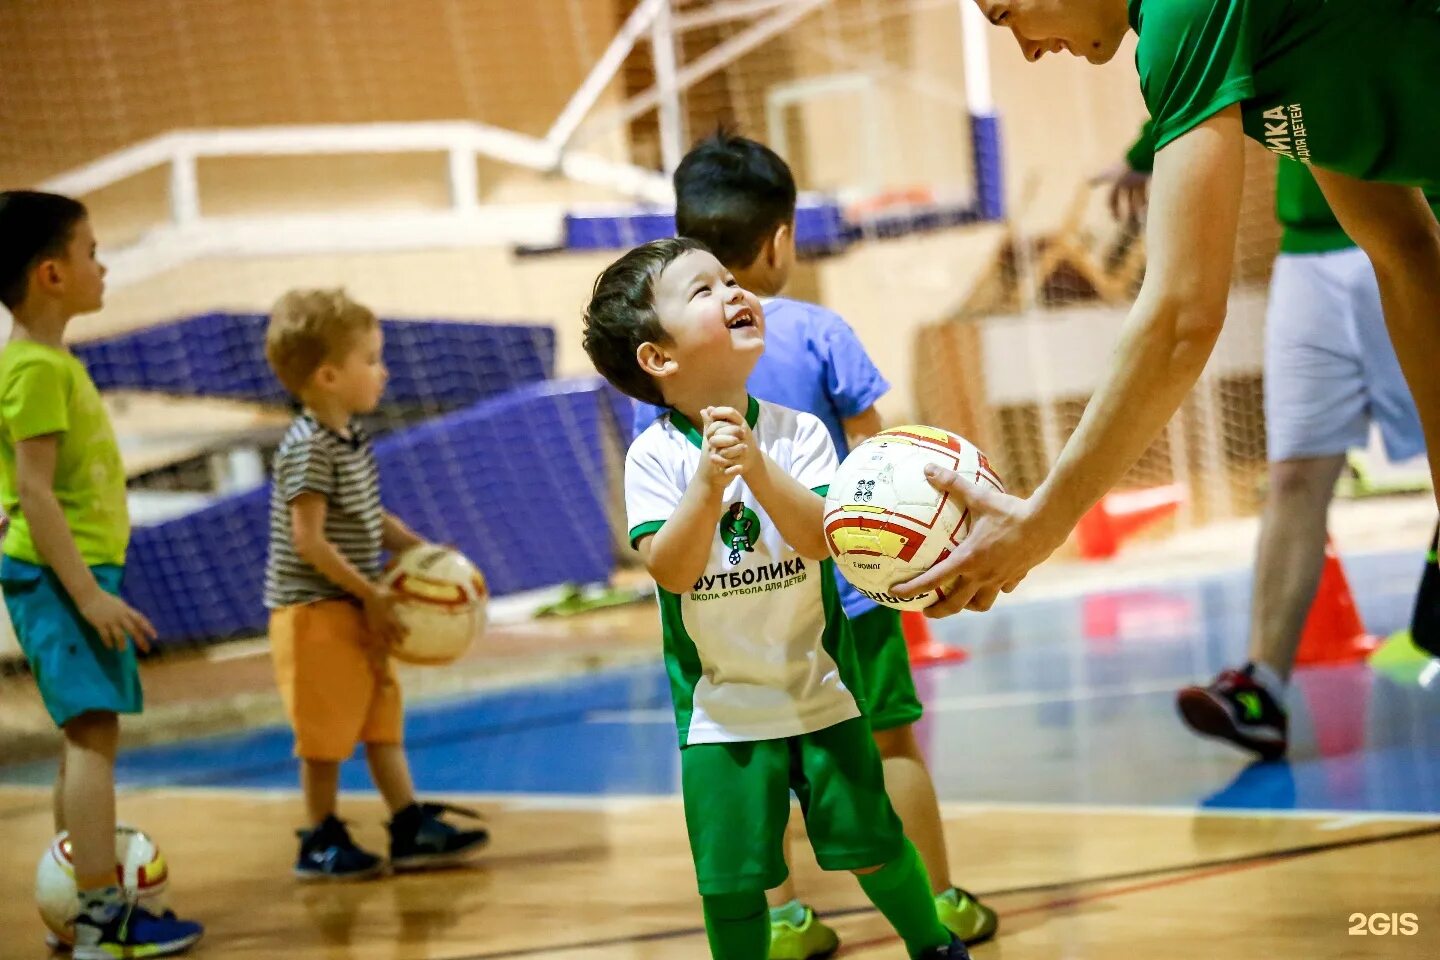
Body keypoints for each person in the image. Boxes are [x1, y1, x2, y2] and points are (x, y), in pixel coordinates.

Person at [898, 0, 1440, 618]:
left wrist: (1040, 523)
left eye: (1006, 15)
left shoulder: (1181, 14)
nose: (1026, 48)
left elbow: (1182, 316)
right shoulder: (1247, 37)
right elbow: (1403, 250)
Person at [630, 132, 997, 956]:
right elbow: (882, 462)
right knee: (889, 743)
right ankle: (936, 899)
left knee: (749, 767)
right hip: (849, 597)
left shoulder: (661, 380)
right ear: (782, 239)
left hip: (727, 621)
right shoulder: (820, 329)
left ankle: (789, 917)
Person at [1102, 126, 1433, 758]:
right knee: (1295, 474)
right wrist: (1148, 152)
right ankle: (1262, 689)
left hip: (1418, 228)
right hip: (1308, 254)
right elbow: (1216, 51)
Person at [0, 191, 205, 958]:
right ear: (52, 274)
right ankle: (99, 918)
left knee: (81, 736)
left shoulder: (42, 363)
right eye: (91, 251)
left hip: (66, 573)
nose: (103, 263)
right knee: (92, 740)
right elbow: (33, 491)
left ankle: (76, 904)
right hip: (62, 577)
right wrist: (86, 593)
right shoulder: (36, 371)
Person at [263, 288, 488, 879]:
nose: (382, 371)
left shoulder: (351, 439)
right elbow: (308, 540)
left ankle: (408, 824)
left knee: (381, 721)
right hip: (316, 611)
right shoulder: (307, 446)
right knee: (325, 735)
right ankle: (318, 836)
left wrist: (423, 550)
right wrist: (371, 594)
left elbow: (370, 519)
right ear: (329, 375)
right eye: (371, 359)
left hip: (359, 605)